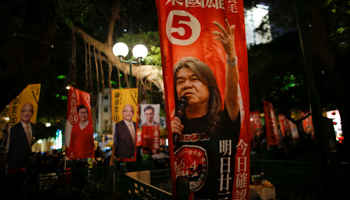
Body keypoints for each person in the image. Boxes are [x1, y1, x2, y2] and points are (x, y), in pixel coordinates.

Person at [171, 19, 241, 199]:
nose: (186, 85)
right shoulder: (176, 125)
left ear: (209, 87)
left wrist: (231, 58)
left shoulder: (223, 120)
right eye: (180, 81)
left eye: (194, 79)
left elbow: (232, 97)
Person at [7, 103, 35, 173]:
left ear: (32, 113)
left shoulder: (34, 127)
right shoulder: (13, 129)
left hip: (28, 166)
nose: (26, 113)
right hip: (15, 167)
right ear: (20, 112)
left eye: (29, 111)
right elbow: (10, 148)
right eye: (24, 111)